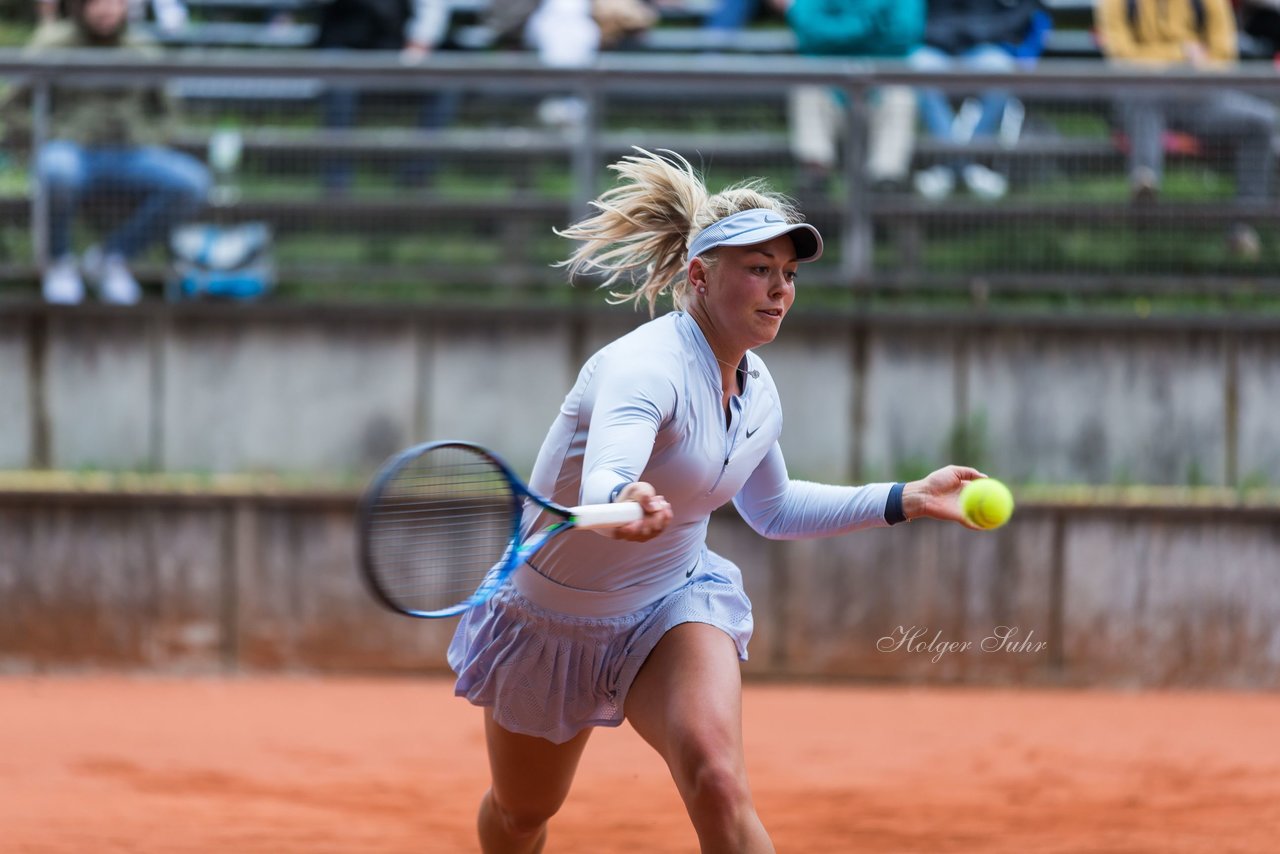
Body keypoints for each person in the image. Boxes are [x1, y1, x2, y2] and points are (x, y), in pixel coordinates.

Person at [447, 148, 988, 852]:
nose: (780, 290)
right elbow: (612, 468)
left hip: (671, 606)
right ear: (700, 276)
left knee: (718, 779)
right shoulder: (643, 367)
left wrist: (906, 496)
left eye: (788, 274)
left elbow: (774, 508)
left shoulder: (757, 389)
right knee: (522, 814)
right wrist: (623, 501)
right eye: (759, 270)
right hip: (553, 620)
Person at [22, 0, 210, 303]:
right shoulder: (53, 42)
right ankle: (58, 262)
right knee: (57, 169)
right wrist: (49, 133)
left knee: (191, 182)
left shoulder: (143, 47)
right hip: (71, 152)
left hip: (130, 155)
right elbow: (14, 104)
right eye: (96, 2)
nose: (105, 9)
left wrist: (147, 136)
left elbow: (169, 113)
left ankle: (111, 258)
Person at [1096, 0, 1277, 258]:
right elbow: (1121, 57)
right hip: (1144, 93)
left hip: (1199, 96)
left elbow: (1224, 55)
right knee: (1141, 94)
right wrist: (1183, 56)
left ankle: (1244, 226)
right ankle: (1145, 182)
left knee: (1261, 121)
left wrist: (1179, 63)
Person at [775, 0, 923, 199]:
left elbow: (904, 35)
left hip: (879, 89)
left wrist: (838, 32)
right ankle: (815, 177)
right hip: (830, 89)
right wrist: (870, 24)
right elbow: (808, 30)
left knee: (900, 94)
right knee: (807, 86)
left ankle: (886, 185)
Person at [908, 0, 1049, 201]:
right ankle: (967, 166)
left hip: (980, 48)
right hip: (934, 48)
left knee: (1003, 70)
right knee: (916, 68)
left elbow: (1027, 9)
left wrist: (986, 31)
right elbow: (911, 15)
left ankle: (952, 165)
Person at [314, 0, 456, 192]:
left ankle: (416, 178)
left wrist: (418, 47)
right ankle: (336, 184)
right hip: (346, 49)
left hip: (397, 52)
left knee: (443, 85)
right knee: (339, 82)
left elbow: (430, 12)